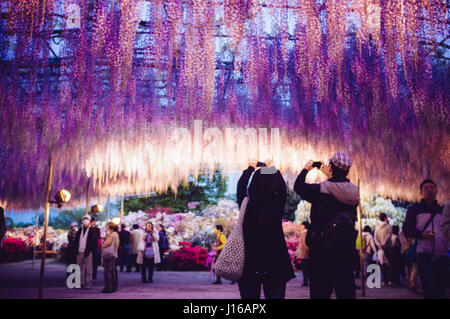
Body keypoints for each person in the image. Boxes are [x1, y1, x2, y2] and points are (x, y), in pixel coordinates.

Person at [294, 153, 359, 299]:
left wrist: (307, 168)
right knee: (345, 291)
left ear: (331, 167)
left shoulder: (320, 190)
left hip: (322, 251)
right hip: (345, 251)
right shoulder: (354, 193)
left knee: (320, 292)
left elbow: (298, 186)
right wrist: (330, 173)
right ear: (347, 171)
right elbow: (338, 186)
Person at [236, 160, 295, 299]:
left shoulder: (246, 204)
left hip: (250, 262)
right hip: (275, 261)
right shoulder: (276, 205)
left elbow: (241, 186)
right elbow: (282, 187)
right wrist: (271, 168)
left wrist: (251, 168)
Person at [403, 179, 448, 299]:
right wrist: (421, 234)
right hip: (423, 253)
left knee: (441, 287)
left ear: (437, 191)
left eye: (432, 187)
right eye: (426, 188)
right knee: (429, 285)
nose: (429, 190)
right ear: (421, 192)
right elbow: (406, 229)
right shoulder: (414, 209)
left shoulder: (443, 210)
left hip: (442, 252)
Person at [74, 215, 97, 289]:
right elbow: (76, 241)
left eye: (87, 219)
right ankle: (79, 283)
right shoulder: (80, 230)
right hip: (79, 252)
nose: (85, 220)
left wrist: (90, 251)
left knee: (88, 269)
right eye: (84, 219)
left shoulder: (92, 230)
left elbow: (93, 242)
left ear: (90, 221)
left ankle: (88, 283)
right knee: (78, 269)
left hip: (88, 252)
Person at [374, 213, 392, 286]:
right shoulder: (389, 227)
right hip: (388, 247)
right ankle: (389, 279)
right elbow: (389, 236)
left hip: (380, 249)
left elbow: (375, 238)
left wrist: (379, 245)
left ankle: (384, 280)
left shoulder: (377, 227)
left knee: (383, 264)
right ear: (385, 218)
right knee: (389, 264)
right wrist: (384, 244)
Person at [102, 222, 120, 293]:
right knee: (113, 271)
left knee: (108, 271)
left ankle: (108, 287)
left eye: (106, 227)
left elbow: (106, 244)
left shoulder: (111, 235)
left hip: (110, 255)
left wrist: (103, 243)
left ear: (110, 228)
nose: (106, 228)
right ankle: (114, 286)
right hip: (114, 254)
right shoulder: (116, 234)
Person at [295, 221, 310, 287]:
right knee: (306, 268)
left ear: (304, 225)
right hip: (305, 253)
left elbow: (305, 243)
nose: (300, 227)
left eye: (301, 225)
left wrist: (308, 250)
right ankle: (306, 281)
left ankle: (305, 282)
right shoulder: (307, 231)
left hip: (304, 253)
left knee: (305, 268)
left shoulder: (304, 232)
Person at [90, 217, 101, 281]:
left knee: (95, 262)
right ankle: (88, 275)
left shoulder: (97, 229)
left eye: (92, 221)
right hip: (89, 248)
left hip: (95, 247)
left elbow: (98, 237)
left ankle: (94, 275)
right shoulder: (87, 229)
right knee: (88, 262)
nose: (91, 223)